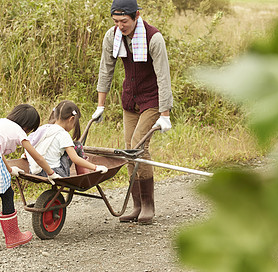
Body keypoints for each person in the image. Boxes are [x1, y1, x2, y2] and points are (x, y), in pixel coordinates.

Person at [93, 0, 173, 224]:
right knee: (128, 148)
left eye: (124, 21)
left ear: (136, 15)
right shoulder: (112, 36)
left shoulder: (153, 38)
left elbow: (163, 77)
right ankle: (136, 205)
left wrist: (165, 114)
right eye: (116, 21)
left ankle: (148, 205)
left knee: (138, 145)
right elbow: (105, 69)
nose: (120, 25)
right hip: (130, 99)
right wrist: (101, 105)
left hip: (153, 99)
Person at [0, 104, 63, 253]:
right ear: (27, 125)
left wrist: (9, 169)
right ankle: (13, 237)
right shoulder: (18, 130)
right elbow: (36, 156)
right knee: (7, 194)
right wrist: (51, 173)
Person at [26, 100, 108, 177]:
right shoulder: (63, 134)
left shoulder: (44, 128)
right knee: (77, 146)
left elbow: (32, 143)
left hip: (36, 171)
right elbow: (74, 158)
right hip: (55, 172)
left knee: (64, 149)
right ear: (71, 119)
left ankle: (83, 171)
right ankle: (83, 174)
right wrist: (95, 167)